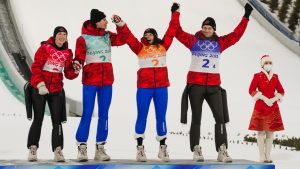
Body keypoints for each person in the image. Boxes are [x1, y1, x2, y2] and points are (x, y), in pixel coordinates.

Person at [178, 3, 253, 162]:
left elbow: (236, 35)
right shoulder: (193, 40)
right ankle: (196, 149)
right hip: (196, 85)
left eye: (209, 27)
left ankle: (222, 149)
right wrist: (175, 13)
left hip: (213, 86)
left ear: (214, 29)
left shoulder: (220, 43)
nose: (206, 29)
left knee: (220, 118)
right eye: (204, 27)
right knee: (196, 118)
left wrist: (246, 17)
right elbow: (177, 32)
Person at [114, 3, 180, 162]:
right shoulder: (139, 47)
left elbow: (172, 30)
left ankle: (163, 148)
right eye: (145, 34)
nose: (147, 36)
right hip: (144, 88)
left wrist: (175, 13)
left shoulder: (163, 46)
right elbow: (129, 37)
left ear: (155, 36)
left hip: (162, 88)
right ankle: (140, 148)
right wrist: (121, 24)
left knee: (161, 117)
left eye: (150, 34)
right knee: (142, 115)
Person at [74, 9, 129, 162]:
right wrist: (77, 64)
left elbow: (124, 39)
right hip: (90, 81)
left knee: (104, 115)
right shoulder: (82, 39)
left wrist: (121, 25)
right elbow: (78, 57)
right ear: (97, 22)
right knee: (87, 113)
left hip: (106, 82)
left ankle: (100, 147)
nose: (107, 22)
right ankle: (82, 146)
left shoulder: (108, 35)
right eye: (104, 20)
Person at [26, 26, 79, 162]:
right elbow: (36, 67)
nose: (62, 37)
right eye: (60, 34)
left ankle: (58, 150)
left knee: (57, 122)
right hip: (40, 89)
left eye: (65, 34)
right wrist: (40, 84)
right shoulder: (44, 48)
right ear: (54, 36)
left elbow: (68, 73)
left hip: (56, 90)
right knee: (38, 119)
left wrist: (75, 71)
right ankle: (33, 148)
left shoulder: (68, 53)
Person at [248, 55, 285, 163]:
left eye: (270, 62)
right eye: (266, 62)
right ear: (262, 64)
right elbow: (251, 90)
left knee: (270, 132)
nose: (268, 64)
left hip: (272, 107)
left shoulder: (275, 77)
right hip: (261, 106)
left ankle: (268, 155)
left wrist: (274, 99)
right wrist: (263, 97)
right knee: (260, 132)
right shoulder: (257, 76)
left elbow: (281, 91)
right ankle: (261, 156)